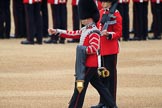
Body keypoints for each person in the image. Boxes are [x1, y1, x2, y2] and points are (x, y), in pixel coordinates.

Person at [48, 0, 118, 107]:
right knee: (100, 86)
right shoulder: (86, 29)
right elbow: (72, 34)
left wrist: (82, 49)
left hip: (89, 64)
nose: (83, 20)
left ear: (91, 18)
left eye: (85, 18)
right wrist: (57, 31)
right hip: (88, 64)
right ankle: (112, 105)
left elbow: (94, 48)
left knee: (80, 86)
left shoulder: (94, 31)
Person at [91, 0, 122, 108]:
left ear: (110, 3)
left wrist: (109, 34)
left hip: (111, 50)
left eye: (105, 2)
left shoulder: (116, 14)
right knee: (102, 76)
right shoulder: (100, 13)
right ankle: (102, 101)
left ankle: (111, 103)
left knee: (111, 77)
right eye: (102, 2)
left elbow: (118, 32)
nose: (103, 4)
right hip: (101, 49)